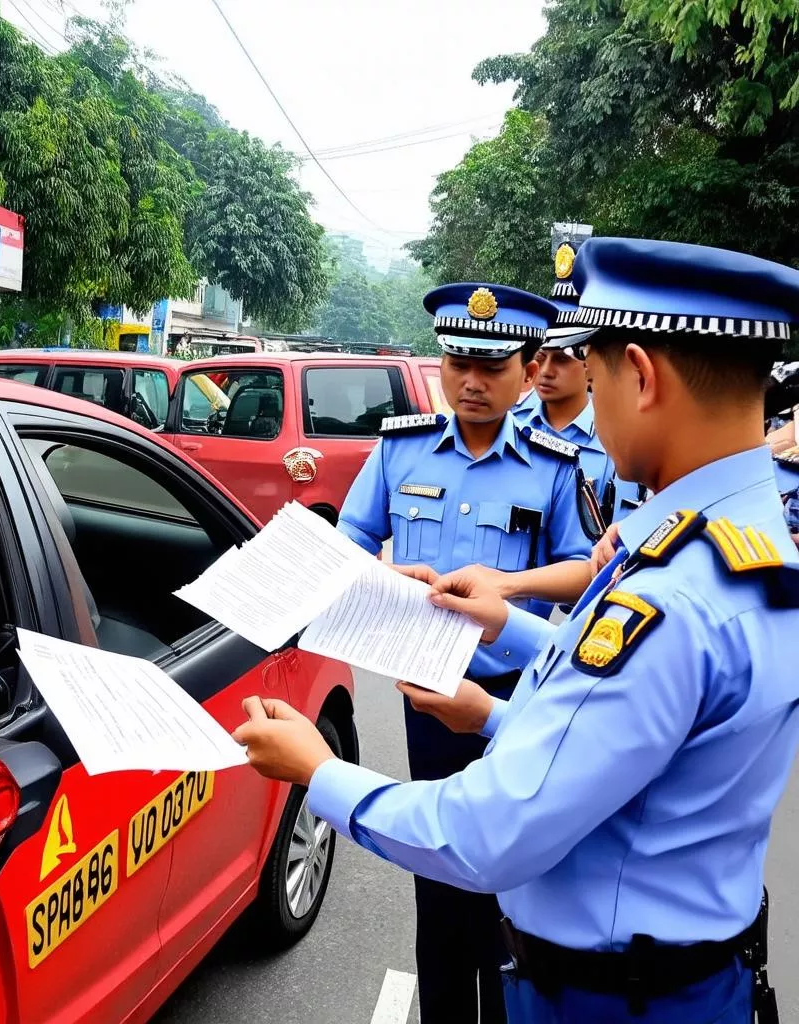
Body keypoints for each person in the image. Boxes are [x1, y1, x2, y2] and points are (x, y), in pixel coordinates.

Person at [235, 236, 799, 1024]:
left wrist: (317, 772)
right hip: (675, 980)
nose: (586, 414)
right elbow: (632, 746)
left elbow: (491, 833)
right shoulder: (746, 541)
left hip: (613, 1001)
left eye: (592, 379)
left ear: (639, 375)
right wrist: (492, 700)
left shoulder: (678, 593)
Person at [334, 282, 594, 1024]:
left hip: (516, 697)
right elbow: (349, 543)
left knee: (511, 881)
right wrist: (387, 574)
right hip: (426, 698)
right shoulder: (401, 446)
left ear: (527, 368)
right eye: (457, 363)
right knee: (439, 878)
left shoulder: (552, 462)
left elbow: (582, 567)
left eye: (491, 366)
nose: (471, 382)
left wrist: (508, 584)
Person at [517, 226, 647, 528]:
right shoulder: (512, 425)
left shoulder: (617, 435)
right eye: (541, 358)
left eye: (562, 359)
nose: (546, 371)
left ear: (589, 362)